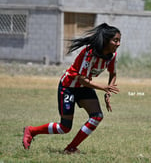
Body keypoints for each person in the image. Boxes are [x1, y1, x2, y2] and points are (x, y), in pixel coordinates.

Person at [22, 23, 121, 154]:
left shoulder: (111, 56)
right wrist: (104, 88)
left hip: (84, 87)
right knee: (64, 127)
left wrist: (108, 92)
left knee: (97, 116)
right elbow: (82, 79)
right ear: (106, 41)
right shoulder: (89, 53)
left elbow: (113, 73)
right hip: (68, 87)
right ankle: (32, 131)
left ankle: (71, 148)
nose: (118, 44)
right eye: (115, 40)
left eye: (120, 40)